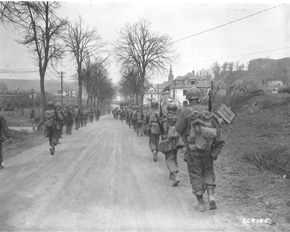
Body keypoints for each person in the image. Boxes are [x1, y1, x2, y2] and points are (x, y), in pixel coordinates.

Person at [175, 87, 224, 212]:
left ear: (189, 98)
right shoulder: (207, 111)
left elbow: (178, 129)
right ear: (199, 98)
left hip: (193, 149)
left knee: (195, 173)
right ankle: (211, 195)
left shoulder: (186, 111)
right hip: (207, 147)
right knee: (208, 171)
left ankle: (201, 203)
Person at [159, 103, 180, 186]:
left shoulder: (165, 118)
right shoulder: (179, 117)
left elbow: (164, 129)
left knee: (169, 158)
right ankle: (172, 173)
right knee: (174, 156)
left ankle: (175, 176)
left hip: (168, 140)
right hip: (177, 140)